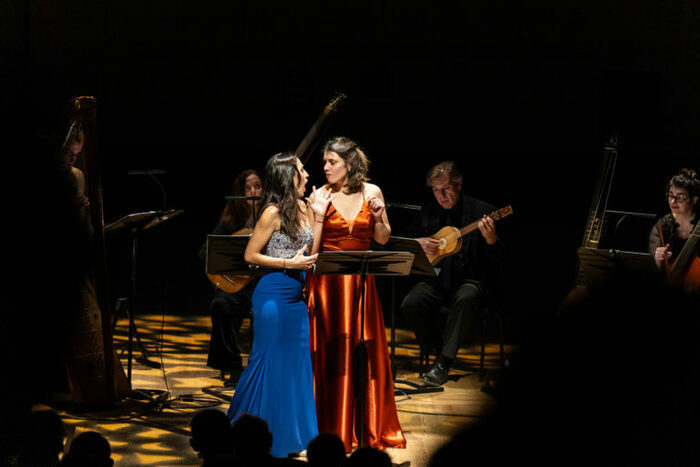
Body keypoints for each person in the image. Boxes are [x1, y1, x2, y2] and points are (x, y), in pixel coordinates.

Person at [227, 152, 333, 458]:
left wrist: (320, 215)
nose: (308, 175)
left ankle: (289, 437)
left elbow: (312, 252)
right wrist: (288, 262)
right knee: (268, 361)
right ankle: (247, 431)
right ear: (290, 176)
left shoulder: (304, 207)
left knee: (295, 367)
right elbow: (250, 256)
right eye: (302, 170)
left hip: (296, 298)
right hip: (272, 295)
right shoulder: (271, 212)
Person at [306, 136, 406, 451]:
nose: (325, 168)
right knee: (332, 352)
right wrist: (319, 215)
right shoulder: (319, 195)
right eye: (324, 162)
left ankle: (365, 426)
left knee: (363, 352)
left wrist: (378, 217)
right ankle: (330, 427)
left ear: (349, 164)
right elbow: (311, 248)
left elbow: (383, 239)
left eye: (331, 162)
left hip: (361, 285)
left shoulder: (371, 191)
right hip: (328, 286)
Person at [400, 161, 505, 387]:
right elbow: (407, 241)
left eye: (445, 188)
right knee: (411, 303)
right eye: (436, 190)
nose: (441, 195)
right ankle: (440, 350)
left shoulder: (482, 212)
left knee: (466, 297)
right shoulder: (429, 212)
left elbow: (499, 260)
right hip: (438, 282)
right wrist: (418, 242)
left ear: (458, 184)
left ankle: (443, 364)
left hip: (471, 281)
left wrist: (491, 240)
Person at [199, 170, 263, 385]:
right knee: (220, 305)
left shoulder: (270, 215)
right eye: (248, 187)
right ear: (240, 192)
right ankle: (232, 365)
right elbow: (204, 252)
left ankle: (262, 367)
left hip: (263, 285)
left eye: (257, 186)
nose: (253, 191)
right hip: (240, 286)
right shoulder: (230, 220)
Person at [648, 168, 700, 291]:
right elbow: (654, 271)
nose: (673, 201)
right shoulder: (662, 226)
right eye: (670, 195)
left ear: (694, 200)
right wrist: (658, 258)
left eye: (680, 197)